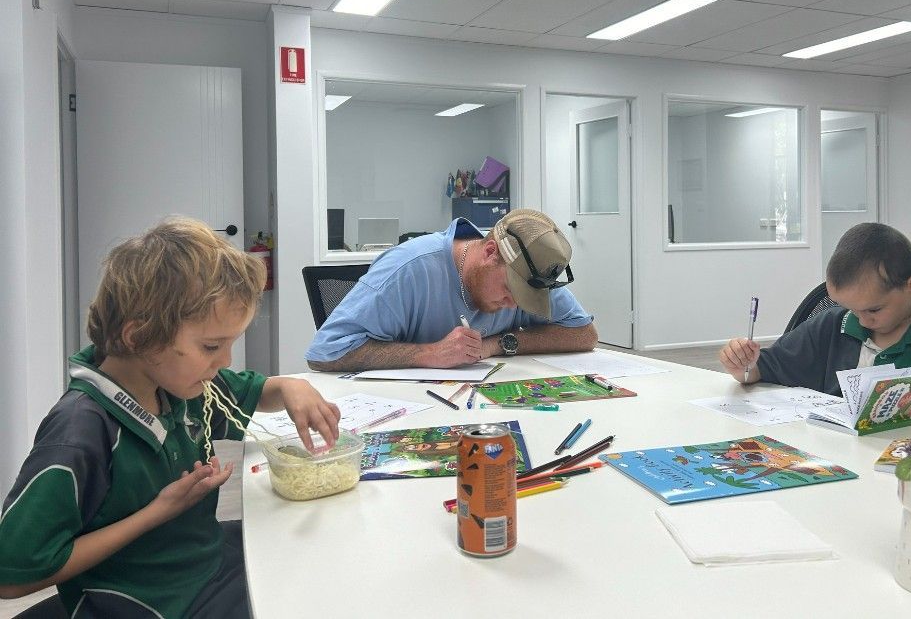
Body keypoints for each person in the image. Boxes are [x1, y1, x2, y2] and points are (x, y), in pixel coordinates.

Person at [0, 218, 341, 618]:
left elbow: (255, 393)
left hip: (199, 563)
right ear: (139, 336)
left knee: (311, 553)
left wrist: (287, 388)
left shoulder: (179, 386)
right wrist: (157, 512)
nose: (226, 361)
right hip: (149, 602)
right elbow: (13, 577)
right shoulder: (82, 431)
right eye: (212, 345)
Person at [718, 223, 911, 432]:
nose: (861, 319)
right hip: (831, 461)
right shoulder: (837, 322)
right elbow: (766, 369)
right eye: (851, 308)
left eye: (873, 309)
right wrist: (743, 363)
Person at [306, 208, 597, 372]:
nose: (513, 305)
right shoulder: (407, 269)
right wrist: (428, 354)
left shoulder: (532, 270)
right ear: (491, 252)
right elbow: (324, 353)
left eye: (526, 299)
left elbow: (584, 334)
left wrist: (499, 343)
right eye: (511, 290)